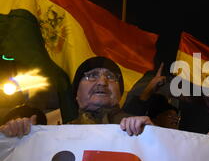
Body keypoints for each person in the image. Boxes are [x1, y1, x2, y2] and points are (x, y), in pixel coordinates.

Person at [0, 56, 153, 138]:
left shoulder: (140, 130)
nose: (102, 81)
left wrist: (154, 136)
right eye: (92, 75)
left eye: (110, 76)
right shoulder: (53, 137)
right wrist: (16, 138)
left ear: (119, 93)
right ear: (76, 95)